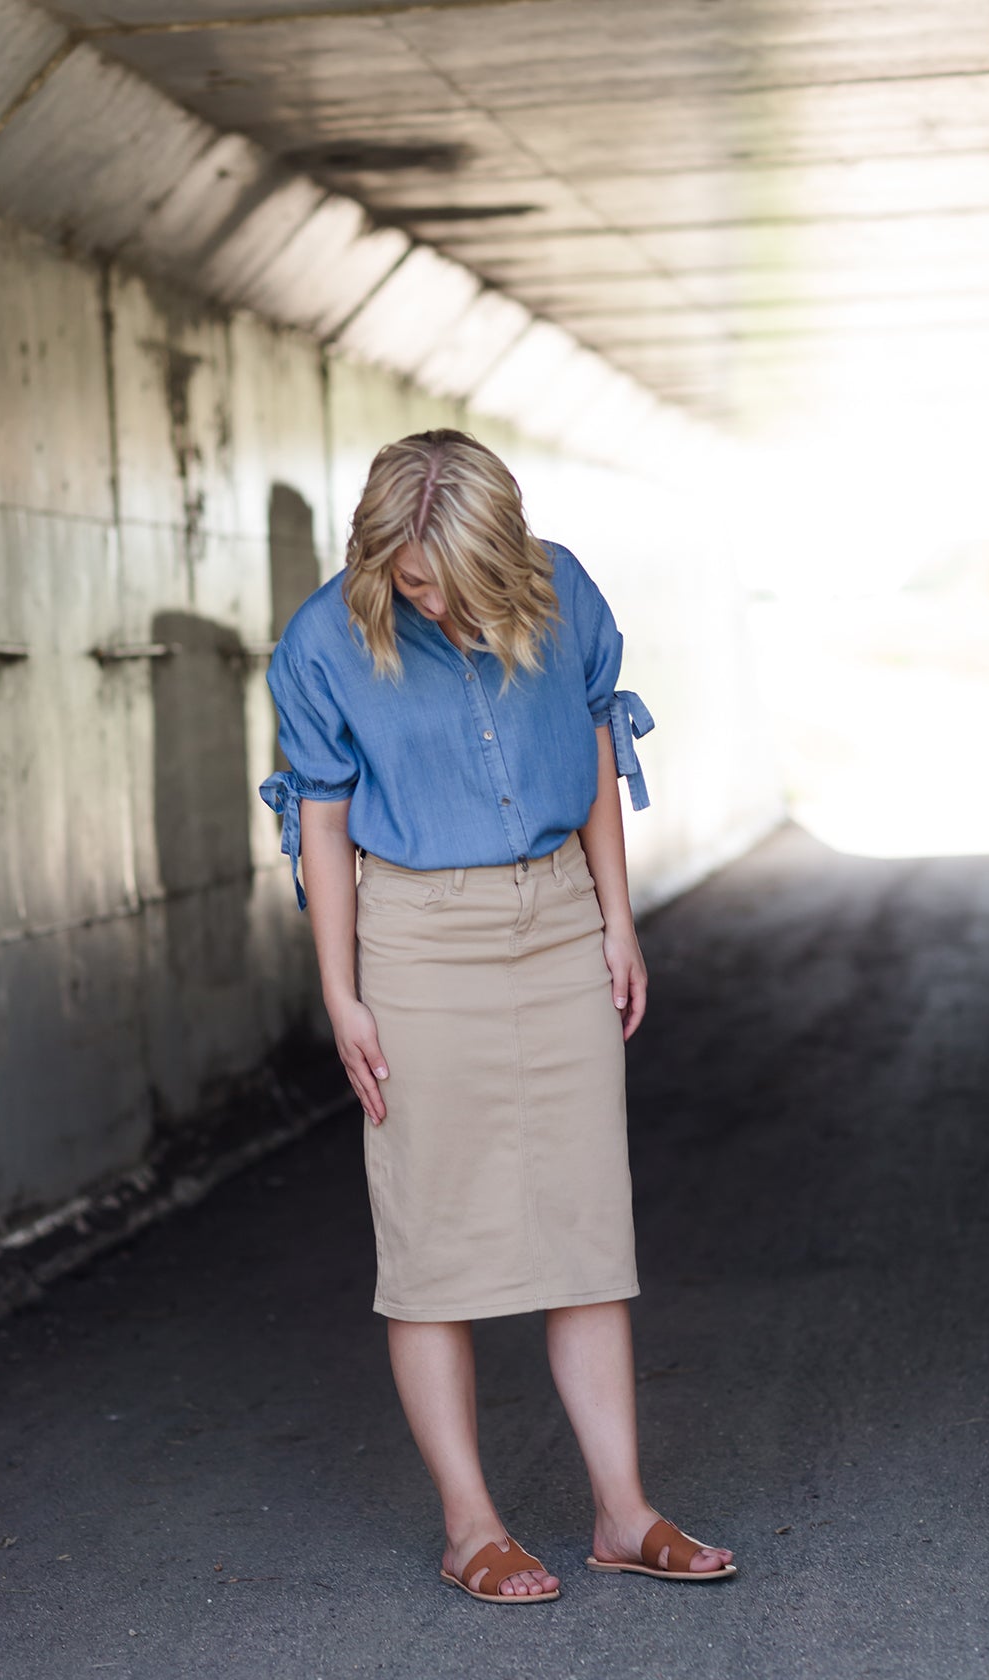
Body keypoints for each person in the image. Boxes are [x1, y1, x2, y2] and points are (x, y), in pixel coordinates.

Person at [261, 430, 734, 1603]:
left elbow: (590, 744)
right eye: (414, 582)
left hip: (560, 915)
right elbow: (322, 818)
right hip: (416, 936)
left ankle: (624, 1515)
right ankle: (471, 1526)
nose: (435, 601)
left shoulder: (562, 585)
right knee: (434, 1243)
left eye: (458, 581)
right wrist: (341, 992)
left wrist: (617, 921)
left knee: (587, 1230)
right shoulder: (327, 638)